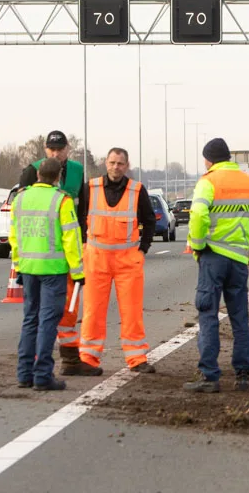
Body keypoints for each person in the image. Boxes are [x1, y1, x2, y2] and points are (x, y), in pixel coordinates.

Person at [183, 138, 249, 393]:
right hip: (239, 259)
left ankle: (209, 375)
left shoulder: (208, 181)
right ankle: (242, 374)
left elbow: (197, 214)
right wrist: (246, 251)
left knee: (208, 314)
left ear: (208, 159)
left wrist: (197, 245)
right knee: (239, 316)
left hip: (213, 255)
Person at [18, 129, 93, 376]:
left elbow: (82, 217)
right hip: (54, 262)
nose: (56, 152)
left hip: (41, 261)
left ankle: (33, 370)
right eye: (52, 148)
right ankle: (42, 373)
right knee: (48, 317)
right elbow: (21, 227)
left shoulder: (78, 172)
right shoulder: (34, 175)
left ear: (68, 149)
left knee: (50, 315)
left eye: (60, 148)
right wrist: (78, 267)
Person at [78, 147, 157, 373]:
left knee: (132, 312)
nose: (115, 167)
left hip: (127, 261)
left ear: (127, 165)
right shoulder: (90, 188)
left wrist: (143, 248)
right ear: (106, 163)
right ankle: (88, 358)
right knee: (92, 310)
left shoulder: (137, 190)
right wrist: (84, 244)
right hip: (96, 259)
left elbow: (148, 221)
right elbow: (80, 218)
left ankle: (137, 358)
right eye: (112, 163)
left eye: (120, 164)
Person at [10, 157, 85, 391]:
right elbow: (71, 238)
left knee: (30, 320)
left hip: (29, 269)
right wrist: (78, 271)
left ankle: (24, 374)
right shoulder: (61, 201)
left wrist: (18, 266)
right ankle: (42, 375)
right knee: (47, 323)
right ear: (58, 177)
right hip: (54, 270)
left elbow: (15, 237)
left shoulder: (20, 199)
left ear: (37, 175)